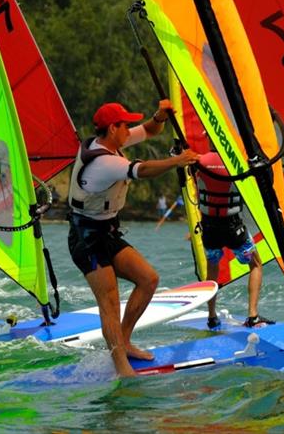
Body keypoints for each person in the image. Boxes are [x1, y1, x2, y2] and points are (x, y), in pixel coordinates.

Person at [67, 100, 200, 377]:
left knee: (148, 279)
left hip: (107, 231)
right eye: (125, 125)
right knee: (110, 301)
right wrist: (178, 160)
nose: (129, 129)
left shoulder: (111, 143)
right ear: (113, 127)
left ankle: (124, 342)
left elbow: (150, 131)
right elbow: (143, 170)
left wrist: (160, 116)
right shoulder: (104, 162)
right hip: (85, 237)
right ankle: (121, 367)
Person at [195, 145, 274, 330]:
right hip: (233, 227)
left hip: (209, 227)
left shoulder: (197, 160)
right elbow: (265, 177)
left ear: (209, 137)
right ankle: (253, 315)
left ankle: (212, 316)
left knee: (212, 269)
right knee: (255, 264)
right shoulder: (236, 162)